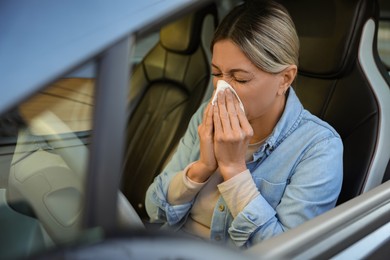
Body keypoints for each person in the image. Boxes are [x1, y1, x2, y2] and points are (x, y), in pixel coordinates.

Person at [145, 0, 343, 249]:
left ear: (285, 79)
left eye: (239, 78)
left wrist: (233, 169)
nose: (221, 88)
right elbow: (154, 207)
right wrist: (202, 168)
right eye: (217, 74)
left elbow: (288, 251)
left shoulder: (318, 148)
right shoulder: (206, 115)